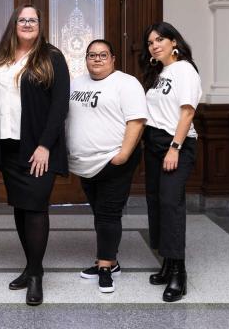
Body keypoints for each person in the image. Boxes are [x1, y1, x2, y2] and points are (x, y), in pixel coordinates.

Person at [0, 4, 70, 306]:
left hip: (37, 149)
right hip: (9, 147)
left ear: (40, 25)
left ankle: (35, 277)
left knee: (35, 208)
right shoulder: (1, 58)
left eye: (33, 20)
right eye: (22, 19)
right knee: (20, 208)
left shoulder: (52, 57)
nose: (28, 23)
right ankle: (31, 266)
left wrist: (45, 145)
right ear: (14, 24)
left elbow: (60, 105)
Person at [66, 39, 148, 294]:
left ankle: (104, 268)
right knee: (100, 212)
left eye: (103, 55)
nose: (97, 59)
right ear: (86, 59)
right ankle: (111, 261)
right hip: (85, 163)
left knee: (108, 214)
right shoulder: (75, 83)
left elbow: (136, 121)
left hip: (114, 160)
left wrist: (122, 155)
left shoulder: (126, 83)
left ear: (113, 58)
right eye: (92, 55)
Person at [140, 22, 202, 302]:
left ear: (173, 41)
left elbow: (187, 112)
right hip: (153, 144)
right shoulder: (159, 72)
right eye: (150, 42)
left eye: (160, 39)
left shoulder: (185, 69)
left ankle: (179, 273)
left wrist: (174, 148)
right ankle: (166, 262)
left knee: (170, 203)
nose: (154, 45)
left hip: (174, 143)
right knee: (155, 201)